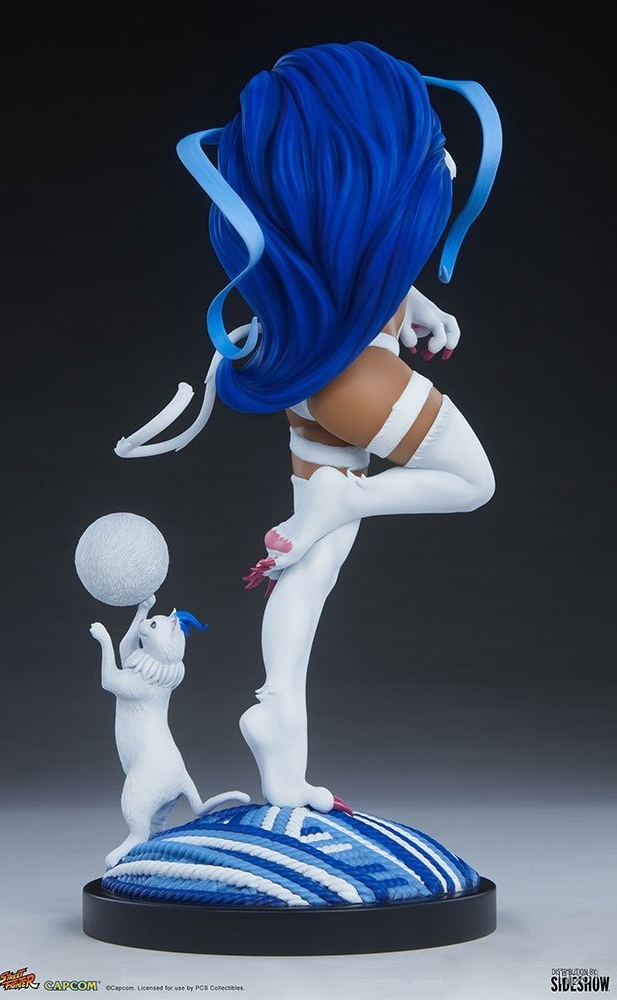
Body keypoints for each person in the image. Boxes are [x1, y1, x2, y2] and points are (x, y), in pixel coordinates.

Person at [115, 41, 502, 813]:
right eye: (429, 146)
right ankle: (343, 499)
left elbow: (358, 266)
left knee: (313, 566)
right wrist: (353, 495)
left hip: (320, 378)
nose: (447, 163)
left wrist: (415, 302)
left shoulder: (332, 240)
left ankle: (278, 719)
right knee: (470, 482)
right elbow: (364, 257)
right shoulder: (362, 222)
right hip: (357, 382)